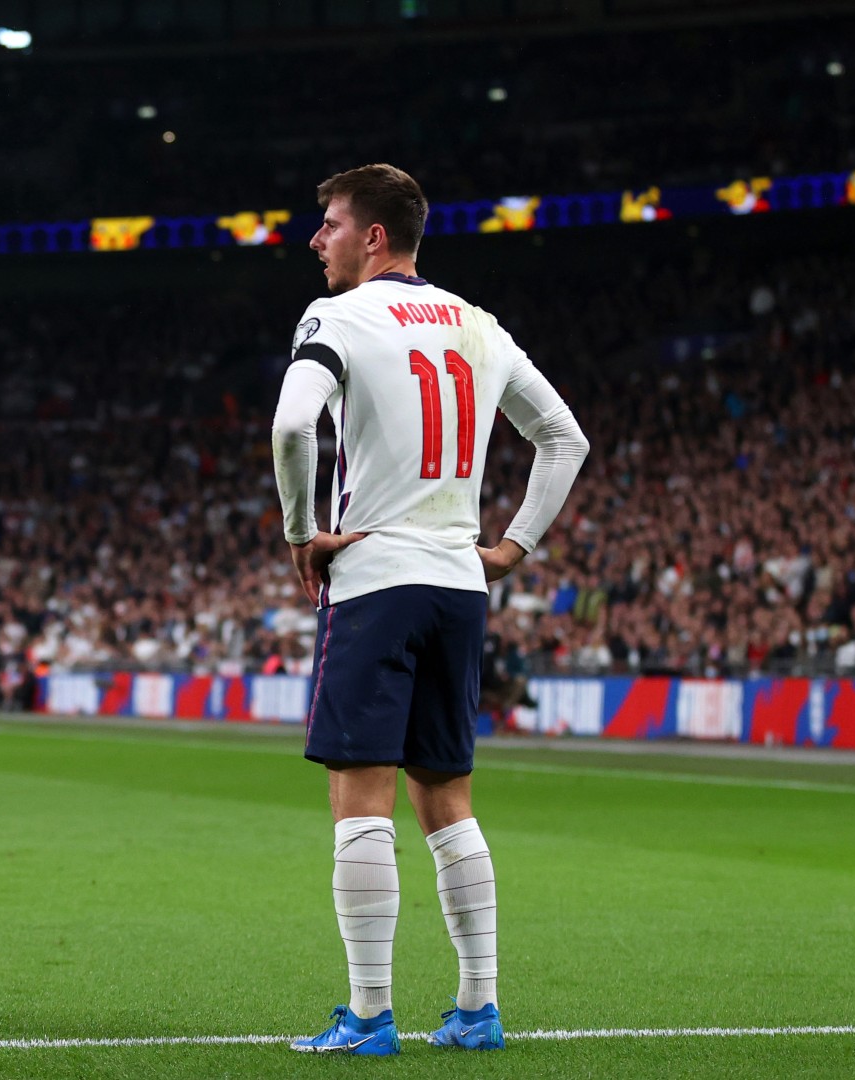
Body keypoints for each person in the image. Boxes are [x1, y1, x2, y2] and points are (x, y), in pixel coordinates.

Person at [271, 164, 588, 1055]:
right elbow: (565, 438)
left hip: (376, 577)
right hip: (458, 583)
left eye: (331, 224)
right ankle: (478, 1009)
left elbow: (293, 426)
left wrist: (301, 532)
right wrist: (513, 547)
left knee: (360, 797)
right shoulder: (479, 324)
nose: (316, 239)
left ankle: (369, 1016)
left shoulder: (337, 317)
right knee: (448, 798)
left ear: (374, 237)